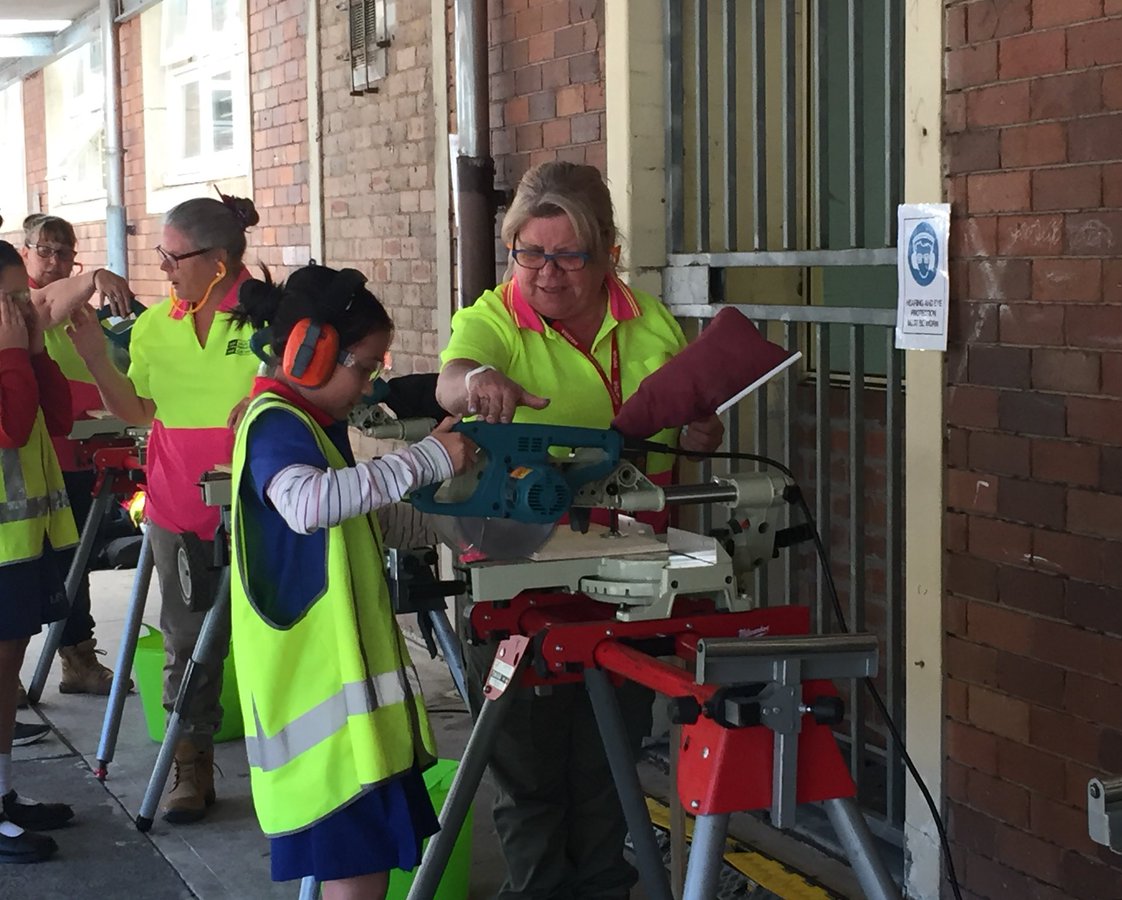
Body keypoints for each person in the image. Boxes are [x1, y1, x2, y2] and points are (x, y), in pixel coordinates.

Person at [435, 160, 724, 900]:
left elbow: (673, 420)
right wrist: (477, 384)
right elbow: (454, 373)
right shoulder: (494, 316)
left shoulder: (649, 319)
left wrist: (694, 437)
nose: (547, 273)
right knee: (530, 771)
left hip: (630, 568)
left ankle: (603, 888)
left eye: (569, 255)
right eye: (530, 253)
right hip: (521, 569)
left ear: (608, 255)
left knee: (609, 763)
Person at [228, 264, 476, 900]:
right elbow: (310, 506)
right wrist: (425, 459)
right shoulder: (277, 424)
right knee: (355, 880)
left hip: (346, 723)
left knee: (362, 874)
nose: (369, 385)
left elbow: (360, 521)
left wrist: (462, 518)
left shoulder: (312, 427)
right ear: (310, 354)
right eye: (363, 368)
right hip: (320, 721)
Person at [68, 193, 262, 824]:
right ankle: (191, 767)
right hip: (179, 511)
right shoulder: (156, 325)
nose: (165, 269)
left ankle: (290, 769)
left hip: (266, 510)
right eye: (163, 256)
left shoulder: (269, 319)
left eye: (174, 257)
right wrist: (97, 355)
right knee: (187, 645)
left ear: (219, 259)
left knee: (275, 642)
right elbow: (137, 412)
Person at [17, 213, 138, 703]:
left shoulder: (80, 309)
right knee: (26, 564)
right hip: (31, 456)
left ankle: (79, 659)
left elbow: (113, 363)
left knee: (75, 560)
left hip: (79, 452)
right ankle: (10, 673)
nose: (53, 260)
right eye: (43, 250)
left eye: (64, 252)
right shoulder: (18, 302)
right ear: (24, 252)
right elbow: (41, 312)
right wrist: (92, 278)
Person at [0, 240, 78, 863]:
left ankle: (3, 795)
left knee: (8, 675)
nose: (19, 310)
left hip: (24, 545)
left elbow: (59, 415)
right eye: (4, 301)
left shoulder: (15, 351)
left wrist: (30, 353)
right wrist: (12, 355)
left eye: (19, 298)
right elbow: (15, 425)